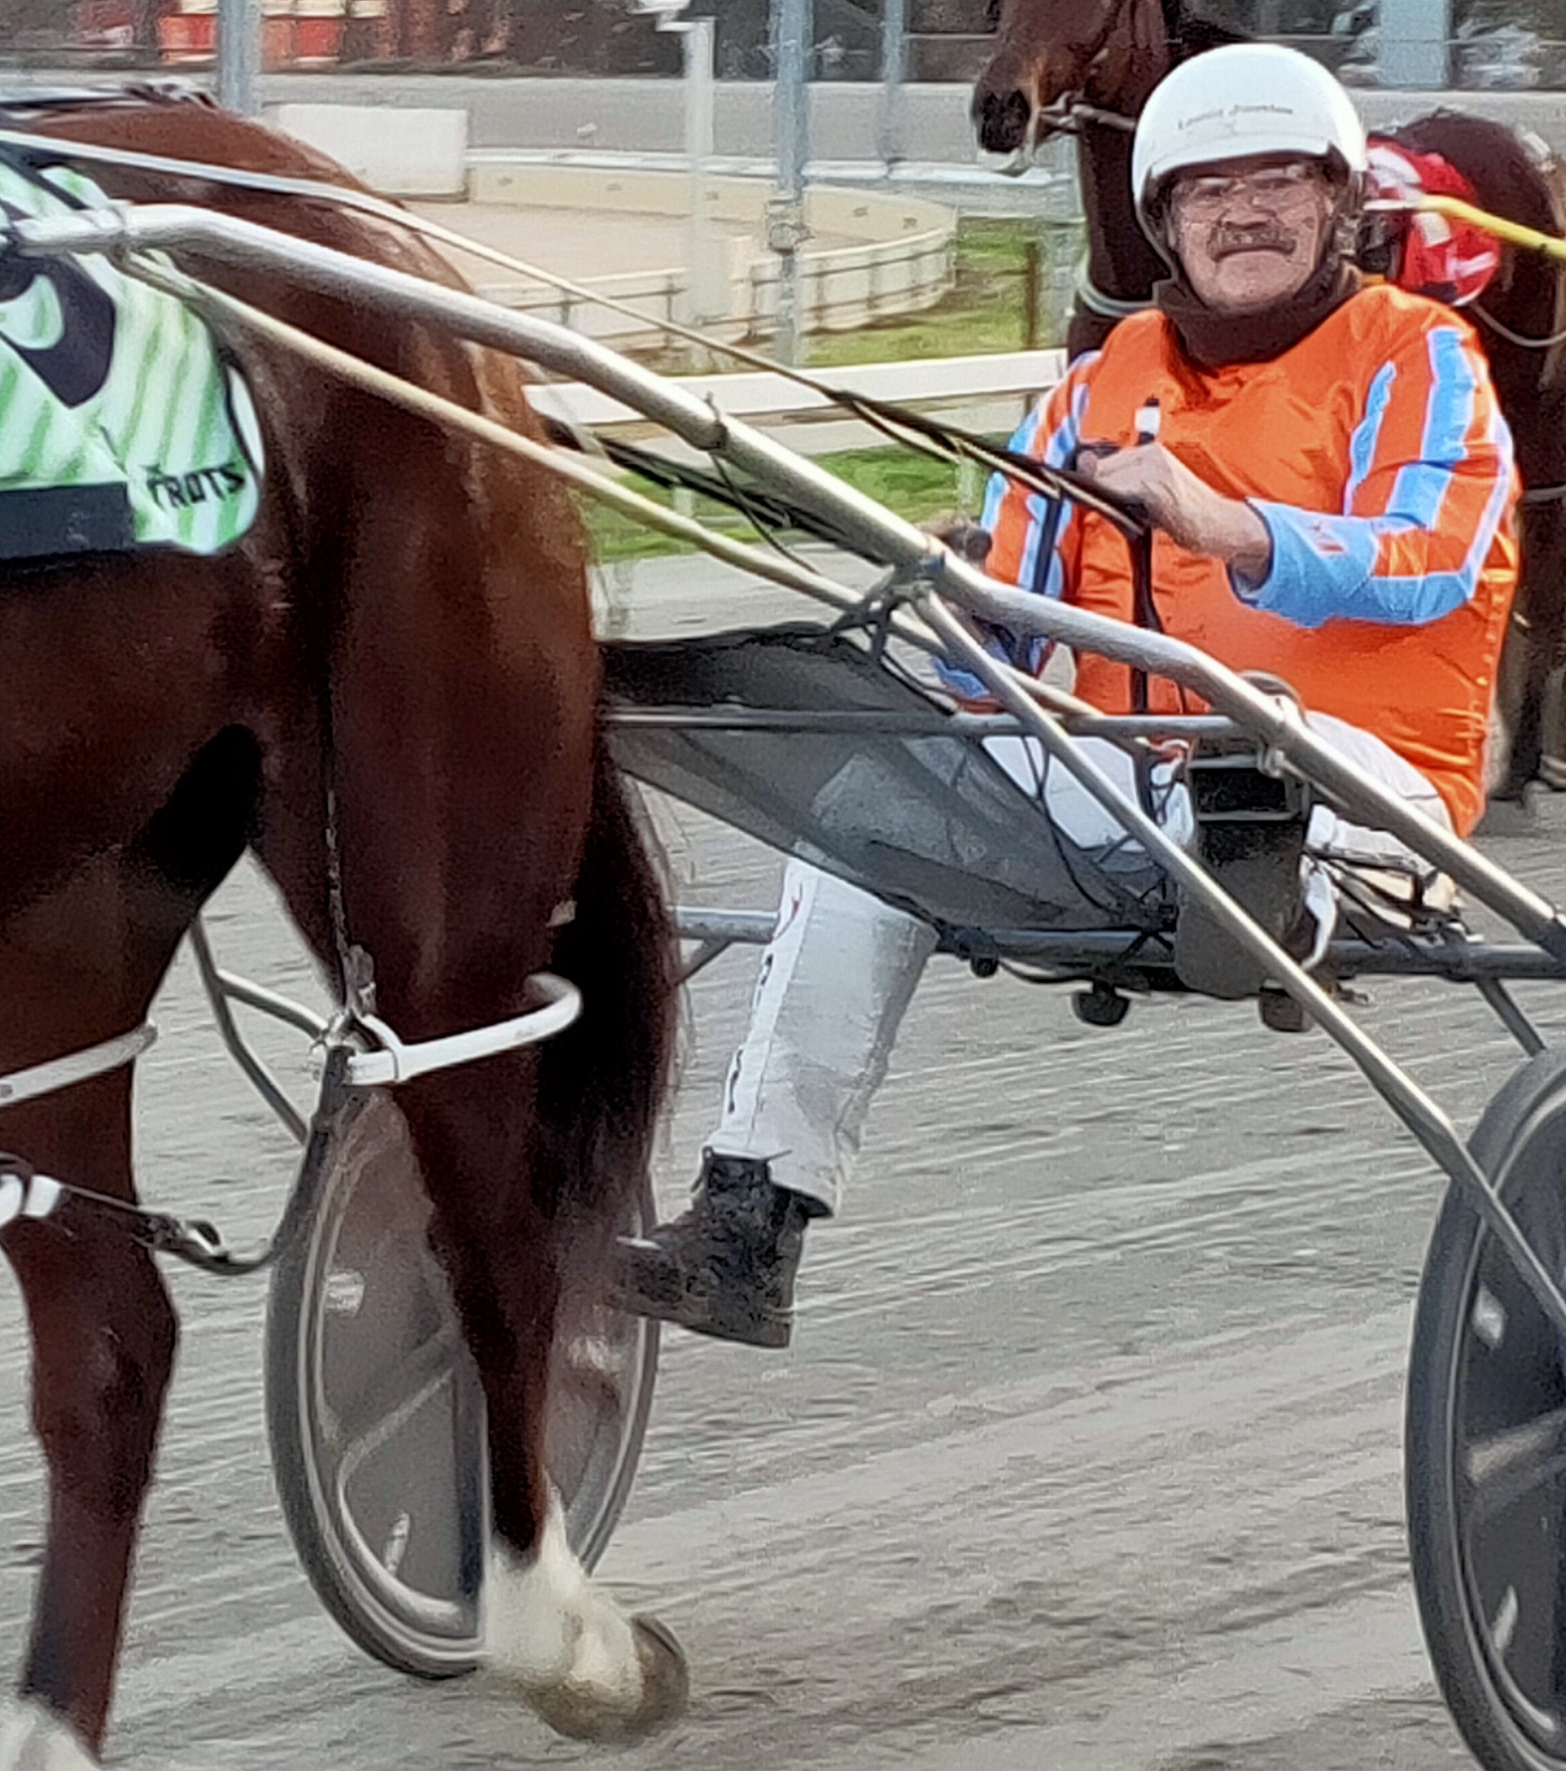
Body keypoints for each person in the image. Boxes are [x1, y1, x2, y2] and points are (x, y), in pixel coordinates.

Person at [616, 44, 1520, 1350]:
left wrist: (1229, 524)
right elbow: (1003, 628)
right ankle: (748, 1224)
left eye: (1275, 181)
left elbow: (1436, 553)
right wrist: (952, 594)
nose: (1242, 213)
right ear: (1166, 219)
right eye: (1208, 191)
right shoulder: (1102, 379)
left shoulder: (1419, 355)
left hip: (1367, 787)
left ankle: (1266, 894)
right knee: (866, 808)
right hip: (1129, 780)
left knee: (1251, 765)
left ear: (1335, 204)